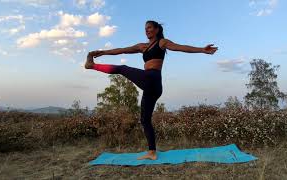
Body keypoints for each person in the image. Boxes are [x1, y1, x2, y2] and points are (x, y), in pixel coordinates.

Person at [85, 20, 218, 160]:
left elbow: (180, 47)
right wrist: (103, 52)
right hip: (152, 86)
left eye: (149, 28)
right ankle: (152, 152)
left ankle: (91, 66)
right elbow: (122, 50)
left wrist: (202, 50)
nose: (146, 30)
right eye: (145, 28)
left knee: (122, 69)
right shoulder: (142, 46)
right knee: (145, 119)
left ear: (156, 29)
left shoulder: (162, 42)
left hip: (152, 79)